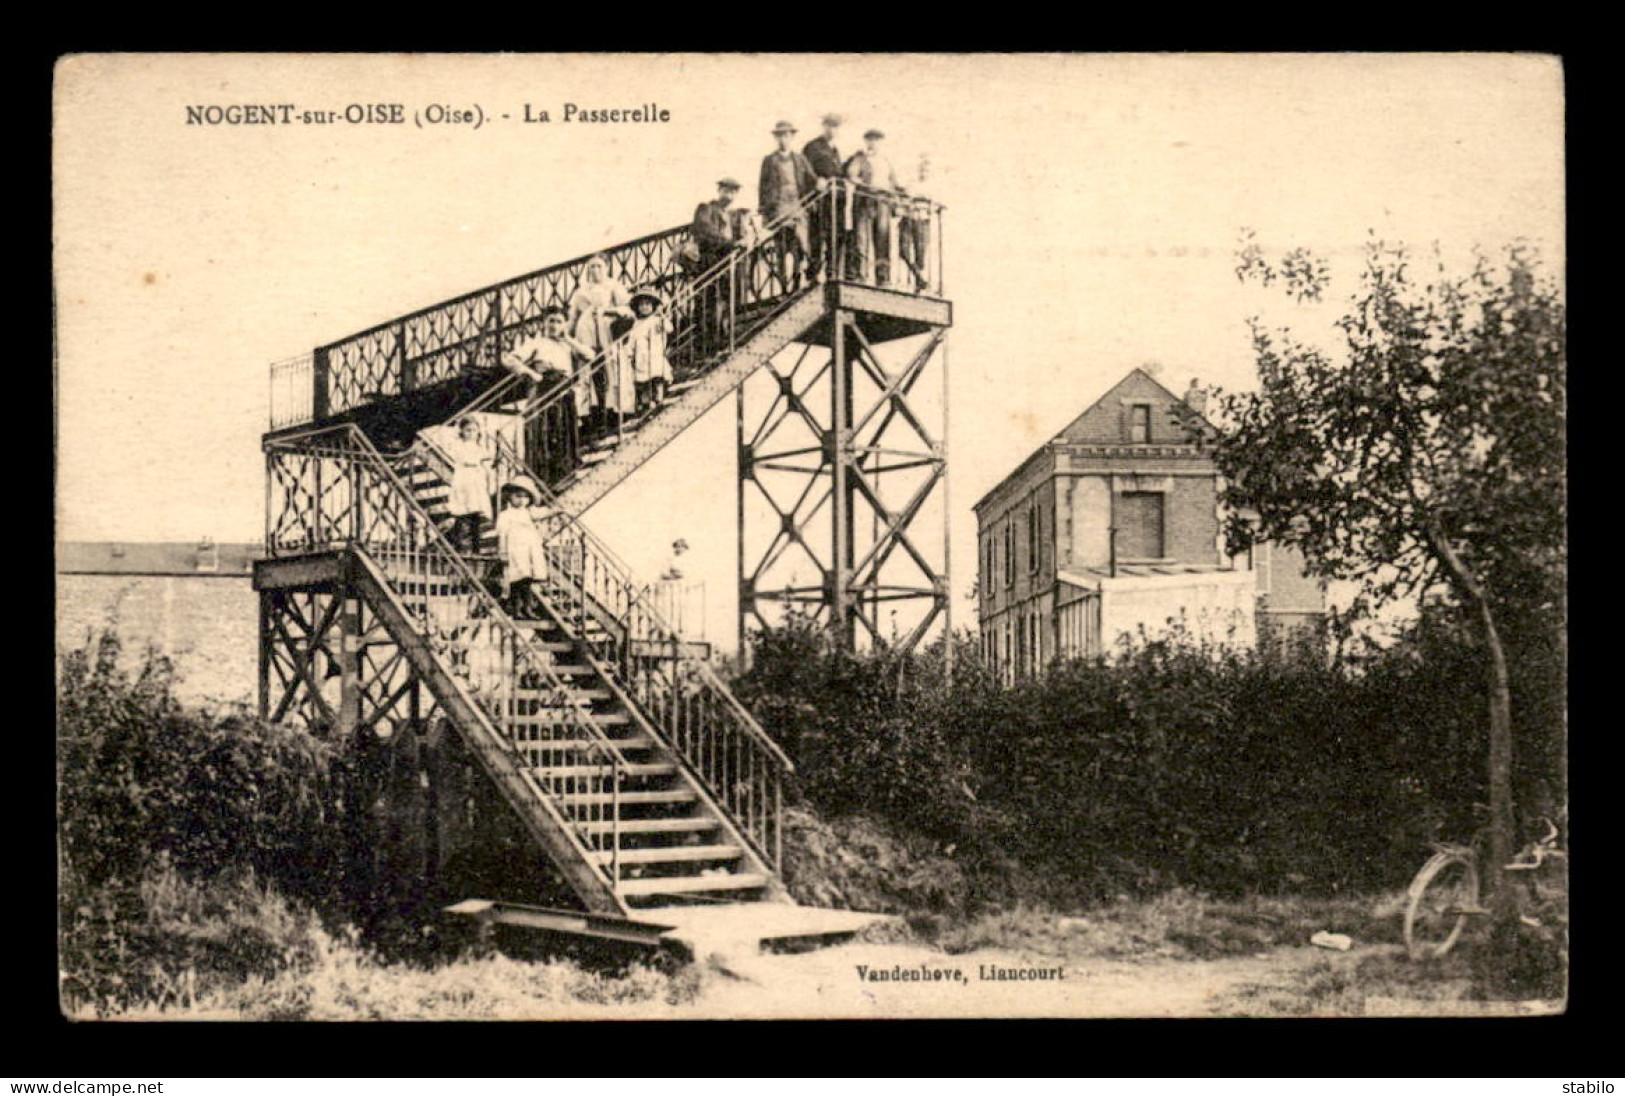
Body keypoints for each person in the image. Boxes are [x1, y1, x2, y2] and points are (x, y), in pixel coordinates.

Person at [503, 307, 593, 484]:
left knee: (563, 432)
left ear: (564, 324)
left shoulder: (567, 344)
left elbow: (590, 355)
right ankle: (543, 480)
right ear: (544, 322)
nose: (554, 325)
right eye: (551, 320)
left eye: (559, 321)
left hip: (564, 392)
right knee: (543, 432)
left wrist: (567, 338)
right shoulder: (537, 342)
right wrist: (532, 374)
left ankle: (564, 477)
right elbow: (510, 359)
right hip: (544, 390)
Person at [568, 254, 634, 433]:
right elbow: (573, 317)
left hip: (607, 331)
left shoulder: (613, 286)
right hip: (586, 333)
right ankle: (590, 414)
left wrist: (611, 312)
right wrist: (567, 336)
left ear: (605, 267)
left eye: (598, 266)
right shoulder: (581, 291)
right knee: (588, 373)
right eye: (591, 267)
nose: (595, 270)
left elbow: (628, 308)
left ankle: (616, 410)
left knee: (613, 369)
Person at [758, 121, 818, 292]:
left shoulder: (799, 159)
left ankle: (798, 279)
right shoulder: (770, 160)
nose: (783, 139)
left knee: (800, 245)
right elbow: (763, 187)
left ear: (791, 137)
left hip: (796, 207)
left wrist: (819, 183)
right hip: (778, 209)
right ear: (776, 138)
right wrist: (764, 211)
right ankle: (784, 285)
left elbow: (811, 179)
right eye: (779, 136)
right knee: (781, 249)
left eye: (786, 135)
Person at [844, 128, 906, 286]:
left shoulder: (885, 161)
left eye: (876, 140)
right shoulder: (860, 158)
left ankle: (883, 276)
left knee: (882, 240)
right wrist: (865, 185)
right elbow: (851, 175)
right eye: (870, 140)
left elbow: (893, 182)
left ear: (881, 142)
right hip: (866, 201)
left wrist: (898, 196)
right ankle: (861, 274)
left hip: (883, 202)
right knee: (862, 239)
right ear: (866, 141)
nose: (873, 143)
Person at [689, 178, 741, 359]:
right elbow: (704, 231)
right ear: (719, 191)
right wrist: (729, 244)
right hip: (709, 264)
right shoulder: (706, 209)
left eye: (733, 192)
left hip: (728, 266)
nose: (729, 195)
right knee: (707, 306)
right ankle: (705, 349)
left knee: (725, 305)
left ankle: (721, 342)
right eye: (726, 190)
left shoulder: (733, 215)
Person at [495, 479, 555, 619]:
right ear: (510, 496)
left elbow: (542, 513)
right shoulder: (505, 515)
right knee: (516, 580)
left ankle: (527, 608)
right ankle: (517, 610)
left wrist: (556, 511)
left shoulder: (528, 513)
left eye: (525, 497)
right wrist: (503, 552)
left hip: (529, 550)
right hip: (515, 551)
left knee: (527, 580)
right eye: (518, 496)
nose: (522, 500)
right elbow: (502, 535)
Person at [441, 417, 493, 554]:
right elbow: (460, 458)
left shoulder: (479, 448)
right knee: (463, 512)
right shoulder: (459, 446)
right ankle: (459, 546)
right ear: (462, 432)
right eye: (467, 430)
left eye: (474, 430)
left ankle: (477, 548)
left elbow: (486, 460)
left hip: (476, 478)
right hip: (464, 478)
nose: (471, 434)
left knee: (476, 512)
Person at [802, 113, 844, 278]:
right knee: (816, 237)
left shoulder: (835, 151)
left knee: (835, 235)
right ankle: (813, 274)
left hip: (835, 201)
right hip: (818, 200)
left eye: (835, 127)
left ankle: (831, 272)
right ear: (824, 126)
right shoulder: (812, 147)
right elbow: (804, 172)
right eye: (829, 125)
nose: (832, 130)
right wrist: (814, 184)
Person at [625, 286, 673, 413]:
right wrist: (628, 352)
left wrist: (662, 315)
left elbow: (668, 328)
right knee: (643, 382)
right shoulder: (637, 323)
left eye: (647, 304)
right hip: (641, 357)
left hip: (654, 355)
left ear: (653, 306)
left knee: (656, 378)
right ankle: (646, 405)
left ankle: (659, 400)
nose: (644, 307)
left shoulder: (656, 320)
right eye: (641, 305)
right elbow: (631, 340)